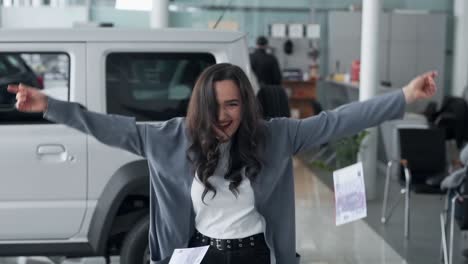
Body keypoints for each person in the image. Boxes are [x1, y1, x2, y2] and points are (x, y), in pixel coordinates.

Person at [7, 63, 437, 264]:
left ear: (244, 105)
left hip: (254, 255)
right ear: (199, 106)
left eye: (232, 104)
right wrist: (51, 106)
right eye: (214, 106)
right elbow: (107, 126)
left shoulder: (274, 135)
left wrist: (403, 96)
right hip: (201, 255)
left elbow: (338, 121)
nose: (223, 115)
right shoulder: (169, 137)